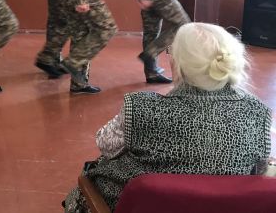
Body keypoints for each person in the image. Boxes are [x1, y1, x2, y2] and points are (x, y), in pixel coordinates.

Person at [63, 22, 272, 213]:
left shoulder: (142, 107)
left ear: (179, 65)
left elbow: (106, 145)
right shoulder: (257, 112)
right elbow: (258, 169)